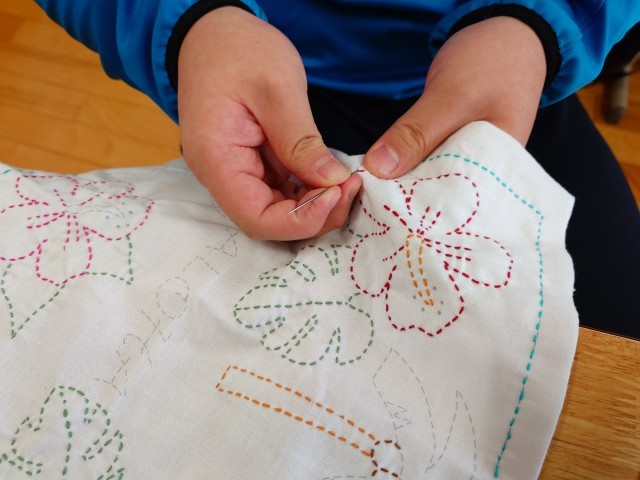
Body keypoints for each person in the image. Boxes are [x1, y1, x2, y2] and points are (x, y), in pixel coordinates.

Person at [35, 1, 640, 337]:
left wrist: (536, 24)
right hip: (255, 86)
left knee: (615, 331)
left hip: (508, 81)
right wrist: (188, 25)